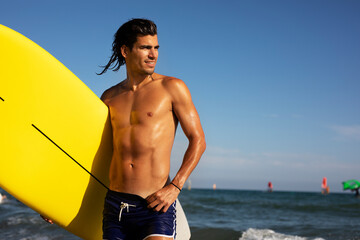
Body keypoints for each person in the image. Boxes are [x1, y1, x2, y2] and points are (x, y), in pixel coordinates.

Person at [98, 18, 206, 240]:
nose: (153, 54)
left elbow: (198, 140)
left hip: (155, 205)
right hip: (115, 205)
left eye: (156, 48)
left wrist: (175, 186)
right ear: (126, 51)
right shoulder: (109, 97)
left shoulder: (171, 88)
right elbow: (98, 153)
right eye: (145, 47)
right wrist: (59, 201)